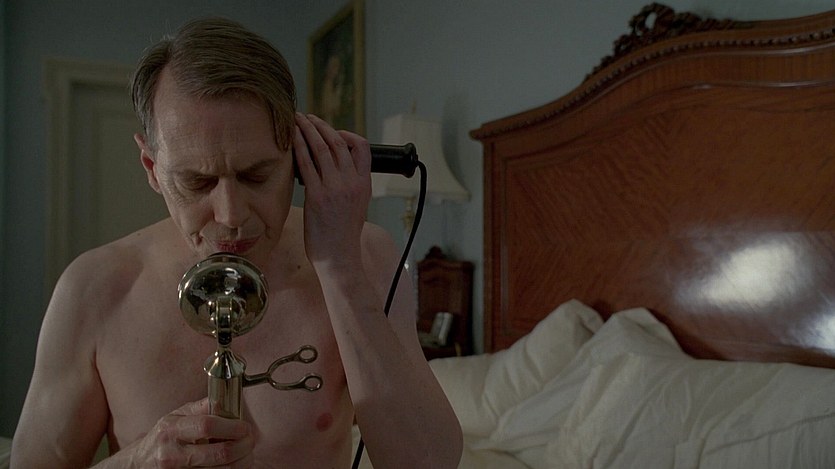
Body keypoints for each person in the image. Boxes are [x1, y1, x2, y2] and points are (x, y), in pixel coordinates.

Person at [12, 17, 462, 468]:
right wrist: (135, 462)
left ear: (298, 157)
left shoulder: (365, 255)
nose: (231, 216)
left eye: (256, 175)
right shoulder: (93, 289)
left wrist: (339, 267)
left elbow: (428, 464)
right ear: (152, 167)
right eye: (197, 182)